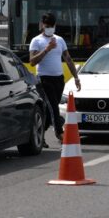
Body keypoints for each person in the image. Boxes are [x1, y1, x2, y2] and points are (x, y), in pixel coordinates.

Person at [29, 13, 81, 146]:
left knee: (50, 108)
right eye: (47, 26)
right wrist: (47, 49)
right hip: (44, 78)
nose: (49, 29)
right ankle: (60, 133)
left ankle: (40, 134)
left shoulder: (60, 40)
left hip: (59, 78)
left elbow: (68, 59)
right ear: (42, 25)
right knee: (53, 106)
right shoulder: (37, 41)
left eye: (52, 26)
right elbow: (32, 61)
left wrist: (76, 77)